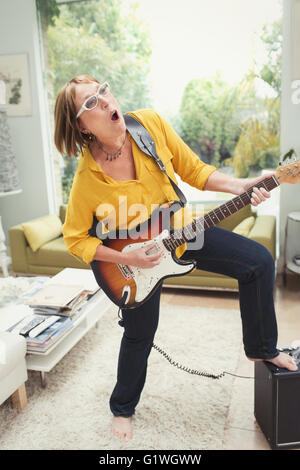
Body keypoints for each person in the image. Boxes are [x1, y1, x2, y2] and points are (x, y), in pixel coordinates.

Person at [54, 74, 297, 442]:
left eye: (103, 91)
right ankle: (122, 408)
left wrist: (241, 186)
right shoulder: (87, 178)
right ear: (80, 125)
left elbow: (194, 170)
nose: (104, 102)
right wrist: (130, 258)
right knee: (139, 335)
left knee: (258, 262)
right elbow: (75, 239)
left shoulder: (148, 125)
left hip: (184, 234)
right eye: (90, 103)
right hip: (134, 265)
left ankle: (261, 348)